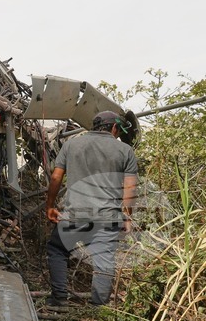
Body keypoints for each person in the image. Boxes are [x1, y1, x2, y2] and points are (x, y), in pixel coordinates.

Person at [44, 110, 138, 308]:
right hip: (107, 217)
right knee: (103, 262)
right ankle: (97, 310)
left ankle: (59, 298)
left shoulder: (71, 144)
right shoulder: (125, 151)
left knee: (58, 250)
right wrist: (127, 217)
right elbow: (130, 188)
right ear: (114, 128)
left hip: (74, 215)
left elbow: (55, 177)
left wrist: (50, 206)